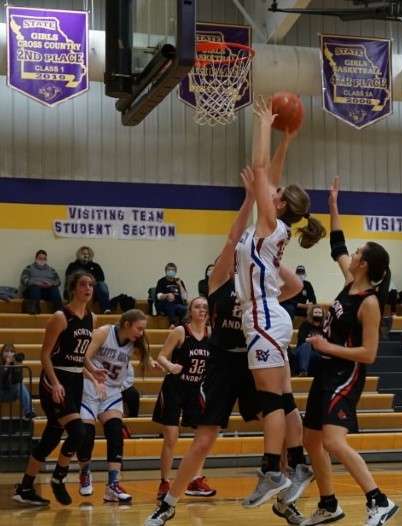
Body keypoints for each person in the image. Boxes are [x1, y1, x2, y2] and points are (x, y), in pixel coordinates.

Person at [145, 167, 308, 526]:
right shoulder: (221, 279)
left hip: (255, 361)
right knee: (204, 440)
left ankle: (286, 499)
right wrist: (250, 197)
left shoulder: (262, 277)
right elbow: (233, 237)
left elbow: (295, 287)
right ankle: (168, 502)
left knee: (277, 423)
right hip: (223, 363)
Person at [235, 98, 325, 509]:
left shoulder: (270, 223)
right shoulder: (275, 224)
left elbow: (258, 170)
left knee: (270, 400)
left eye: (273, 193)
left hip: (264, 318)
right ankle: (301, 463)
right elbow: (270, 175)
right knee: (284, 398)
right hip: (271, 317)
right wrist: (284, 140)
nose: (265, 189)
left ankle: (273, 468)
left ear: (280, 203)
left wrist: (262, 126)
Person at [301, 177, 398, 526]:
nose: (352, 254)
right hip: (326, 370)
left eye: (359, 253)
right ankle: (329, 505)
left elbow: (369, 354)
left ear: (365, 265)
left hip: (345, 375)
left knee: (332, 441)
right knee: (310, 440)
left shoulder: (370, 303)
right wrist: (333, 207)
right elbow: (336, 245)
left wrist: (327, 346)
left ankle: (379, 500)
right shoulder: (348, 282)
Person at [13, 271, 101, 506]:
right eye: (83, 284)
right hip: (55, 379)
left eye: (91, 285)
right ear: (73, 288)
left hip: (75, 380)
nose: (88, 288)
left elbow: (80, 355)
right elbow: (45, 354)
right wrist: (54, 383)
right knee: (78, 432)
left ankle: (24, 488)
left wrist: (93, 371)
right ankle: (58, 478)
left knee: (51, 438)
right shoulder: (61, 317)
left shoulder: (92, 318)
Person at [77, 309, 150, 503]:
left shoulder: (134, 341)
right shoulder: (103, 332)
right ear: (126, 324)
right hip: (90, 385)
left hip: (112, 391)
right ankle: (84, 472)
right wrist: (94, 377)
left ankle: (112, 486)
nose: (141, 333)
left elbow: (145, 352)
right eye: (139, 328)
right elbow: (82, 357)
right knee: (86, 435)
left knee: (116, 433)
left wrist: (151, 361)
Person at [151, 297, 216, 501]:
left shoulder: (211, 334)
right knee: (171, 437)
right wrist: (170, 366)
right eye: (197, 306)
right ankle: (164, 482)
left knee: (203, 437)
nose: (202, 310)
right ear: (190, 310)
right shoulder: (180, 331)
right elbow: (161, 356)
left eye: (205, 307)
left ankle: (195, 480)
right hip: (174, 388)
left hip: (196, 389)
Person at [65, 246, 111, 313]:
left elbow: (101, 278)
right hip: (78, 287)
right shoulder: (73, 265)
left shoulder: (95, 266)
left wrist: (90, 282)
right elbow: (69, 278)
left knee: (102, 285)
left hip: (94, 289)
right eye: (83, 253)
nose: (86, 255)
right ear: (79, 254)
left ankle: (106, 310)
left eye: (88, 254)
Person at [20, 249, 62, 314]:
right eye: (40, 258)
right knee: (35, 288)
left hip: (47, 291)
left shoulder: (51, 270)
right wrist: (35, 283)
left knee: (54, 289)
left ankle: (59, 312)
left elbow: (58, 281)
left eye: (44, 258)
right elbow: (24, 279)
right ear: (36, 258)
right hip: (33, 291)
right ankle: (34, 311)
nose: (42, 260)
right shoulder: (29, 268)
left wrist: (51, 284)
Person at [0, 343, 34, 419]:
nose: (9, 354)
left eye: (12, 351)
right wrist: (7, 365)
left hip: (11, 393)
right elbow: (2, 380)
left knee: (20, 384)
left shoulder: (15, 364)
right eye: (6, 351)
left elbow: (18, 380)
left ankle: (29, 412)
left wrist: (17, 366)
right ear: (2, 353)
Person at [294, 304, 324, 377]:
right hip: (303, 352)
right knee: (306, 345)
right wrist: (317, 340)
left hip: (317, 354)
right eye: (316, 313)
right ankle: (303, 371)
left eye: (320, 313)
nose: (318, 315)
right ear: (311, 314)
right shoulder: (305, 325)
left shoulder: (324, 327)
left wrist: (311, 339)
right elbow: (302, 339)